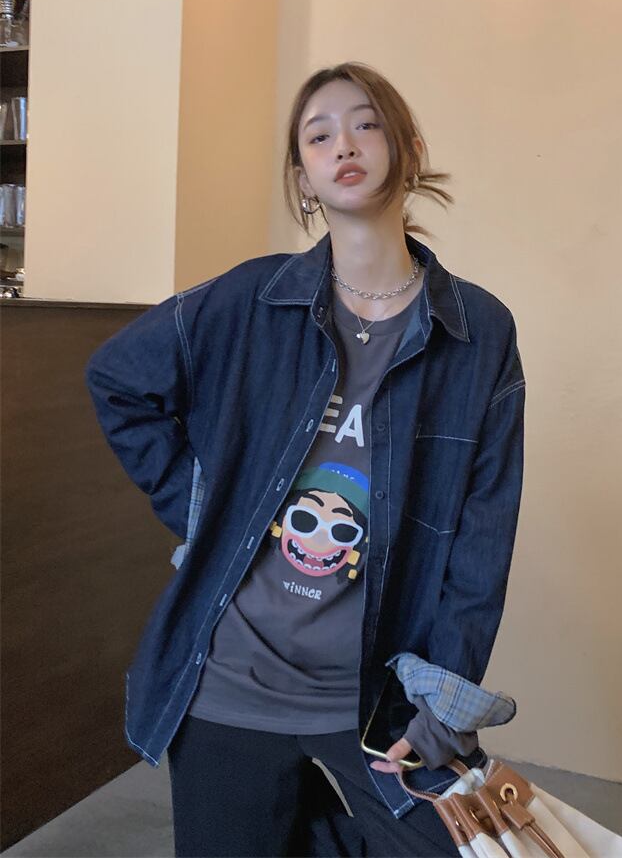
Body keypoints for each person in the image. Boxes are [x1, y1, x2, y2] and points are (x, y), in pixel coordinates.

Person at [85, 61, 526, 857]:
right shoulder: (249, 299)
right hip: (229, 684)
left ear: (409, 147)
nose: (343, 145)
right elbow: (117, 379)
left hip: (376, 692)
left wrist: (445, 707)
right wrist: (205, 510)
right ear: (302, 177)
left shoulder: (477, 330)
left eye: (365, 124)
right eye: (318, 137)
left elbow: (482, 534)